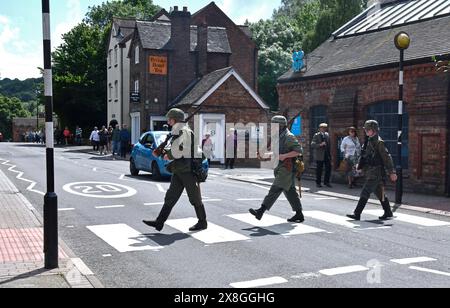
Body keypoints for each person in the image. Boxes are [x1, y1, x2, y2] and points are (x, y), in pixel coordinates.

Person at [143, 108, 208, 232]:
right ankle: (159, 222)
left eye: (169, 119)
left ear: (175, 119)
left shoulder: (186, 131)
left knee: (194, 198)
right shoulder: (177, 131)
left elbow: (183, 149)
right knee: (170, 196)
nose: (168, 121)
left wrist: (169, 155)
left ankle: (202, 222)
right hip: (179, 169)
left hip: (188, 170)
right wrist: (166, 152)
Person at [249, 116, 305, 224]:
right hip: (280, 167)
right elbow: (275, 153)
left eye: (274, 125)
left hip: (287, 168)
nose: (272, 127)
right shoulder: (277, 136)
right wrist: (263, 156)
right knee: (290, 191)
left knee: (275, 188)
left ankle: (260, 211)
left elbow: (299, 150)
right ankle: (299, 214)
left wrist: (284, 156)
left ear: (280, 125)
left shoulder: (289, 137)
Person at [347, 120, 398, 221]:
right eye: (366, 129)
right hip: (370, 171)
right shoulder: (368, 141)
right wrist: (359, 166)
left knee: (365, 191)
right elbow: (364, 156)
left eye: (368, 129)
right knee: (379, 192)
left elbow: (387, 158)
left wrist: (392, 172)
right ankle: (388, 211)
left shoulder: (379, 143)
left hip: (376, 172)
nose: (366, 131)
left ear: (373, 130)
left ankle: (357, 213)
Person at [311, 123, 332, 188]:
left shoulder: (327, 135)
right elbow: (312, 144)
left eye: (325, 128)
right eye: (322, 128)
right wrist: (320, 144)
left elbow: (329, 145)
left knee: (328, 168)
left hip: (326, 154)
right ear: (319, 129)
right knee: (319, 169)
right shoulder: (316, 135)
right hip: (319, 155)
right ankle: (318, 182)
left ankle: (326, 182)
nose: (323, 129)